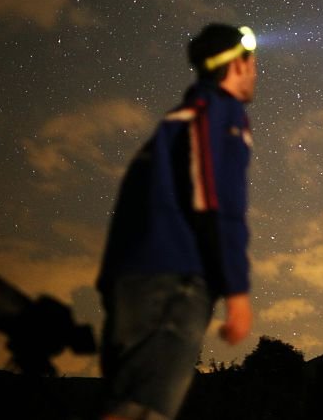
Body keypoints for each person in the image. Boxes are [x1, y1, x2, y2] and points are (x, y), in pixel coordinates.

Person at [96, 23, 258, 420]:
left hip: (134, 282)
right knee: (142, 411)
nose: (255, 71)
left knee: (128, 403)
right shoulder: (218, 111)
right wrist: (236, 291)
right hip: (171, 283)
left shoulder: (177, 122)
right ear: (236, 65)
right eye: (251, 62)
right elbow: (215, 197)